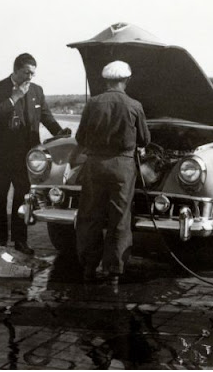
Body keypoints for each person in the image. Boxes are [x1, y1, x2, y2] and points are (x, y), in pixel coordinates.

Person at [0, 53, 70, 255]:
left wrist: (59, 132)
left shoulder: (37, 91)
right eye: (26, 72)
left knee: (23, 199)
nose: (30, 77)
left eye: (33, 73)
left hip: (26, 157)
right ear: (16, 70)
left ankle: (20, 240)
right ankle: (0, 240)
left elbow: (46, 117)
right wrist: (15, 97)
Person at [75, 60, 150, 285]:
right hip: (123, 168)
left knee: (89, 215)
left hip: (94, 166)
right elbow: (145, 139)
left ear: (106, 81)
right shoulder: (134, 105)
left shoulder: (93, 103)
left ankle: (89, 266)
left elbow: (80, 138)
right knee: (119, 217)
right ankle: (114, 270)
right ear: (126, 80)